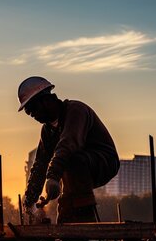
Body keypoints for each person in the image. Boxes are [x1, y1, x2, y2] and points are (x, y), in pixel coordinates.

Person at [18, 76, 119, 223]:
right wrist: (29, 199)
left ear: (46, 100)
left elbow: (68, 144)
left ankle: (85, 220)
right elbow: (40, 163)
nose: (33, 115)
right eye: (29, 113)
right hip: (77, 165)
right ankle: (67, 224)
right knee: (69, 183)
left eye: (33, 109)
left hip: (104, 162)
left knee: (71, 160)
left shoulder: (75, 110)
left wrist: (52, 176)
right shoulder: (47, 130)